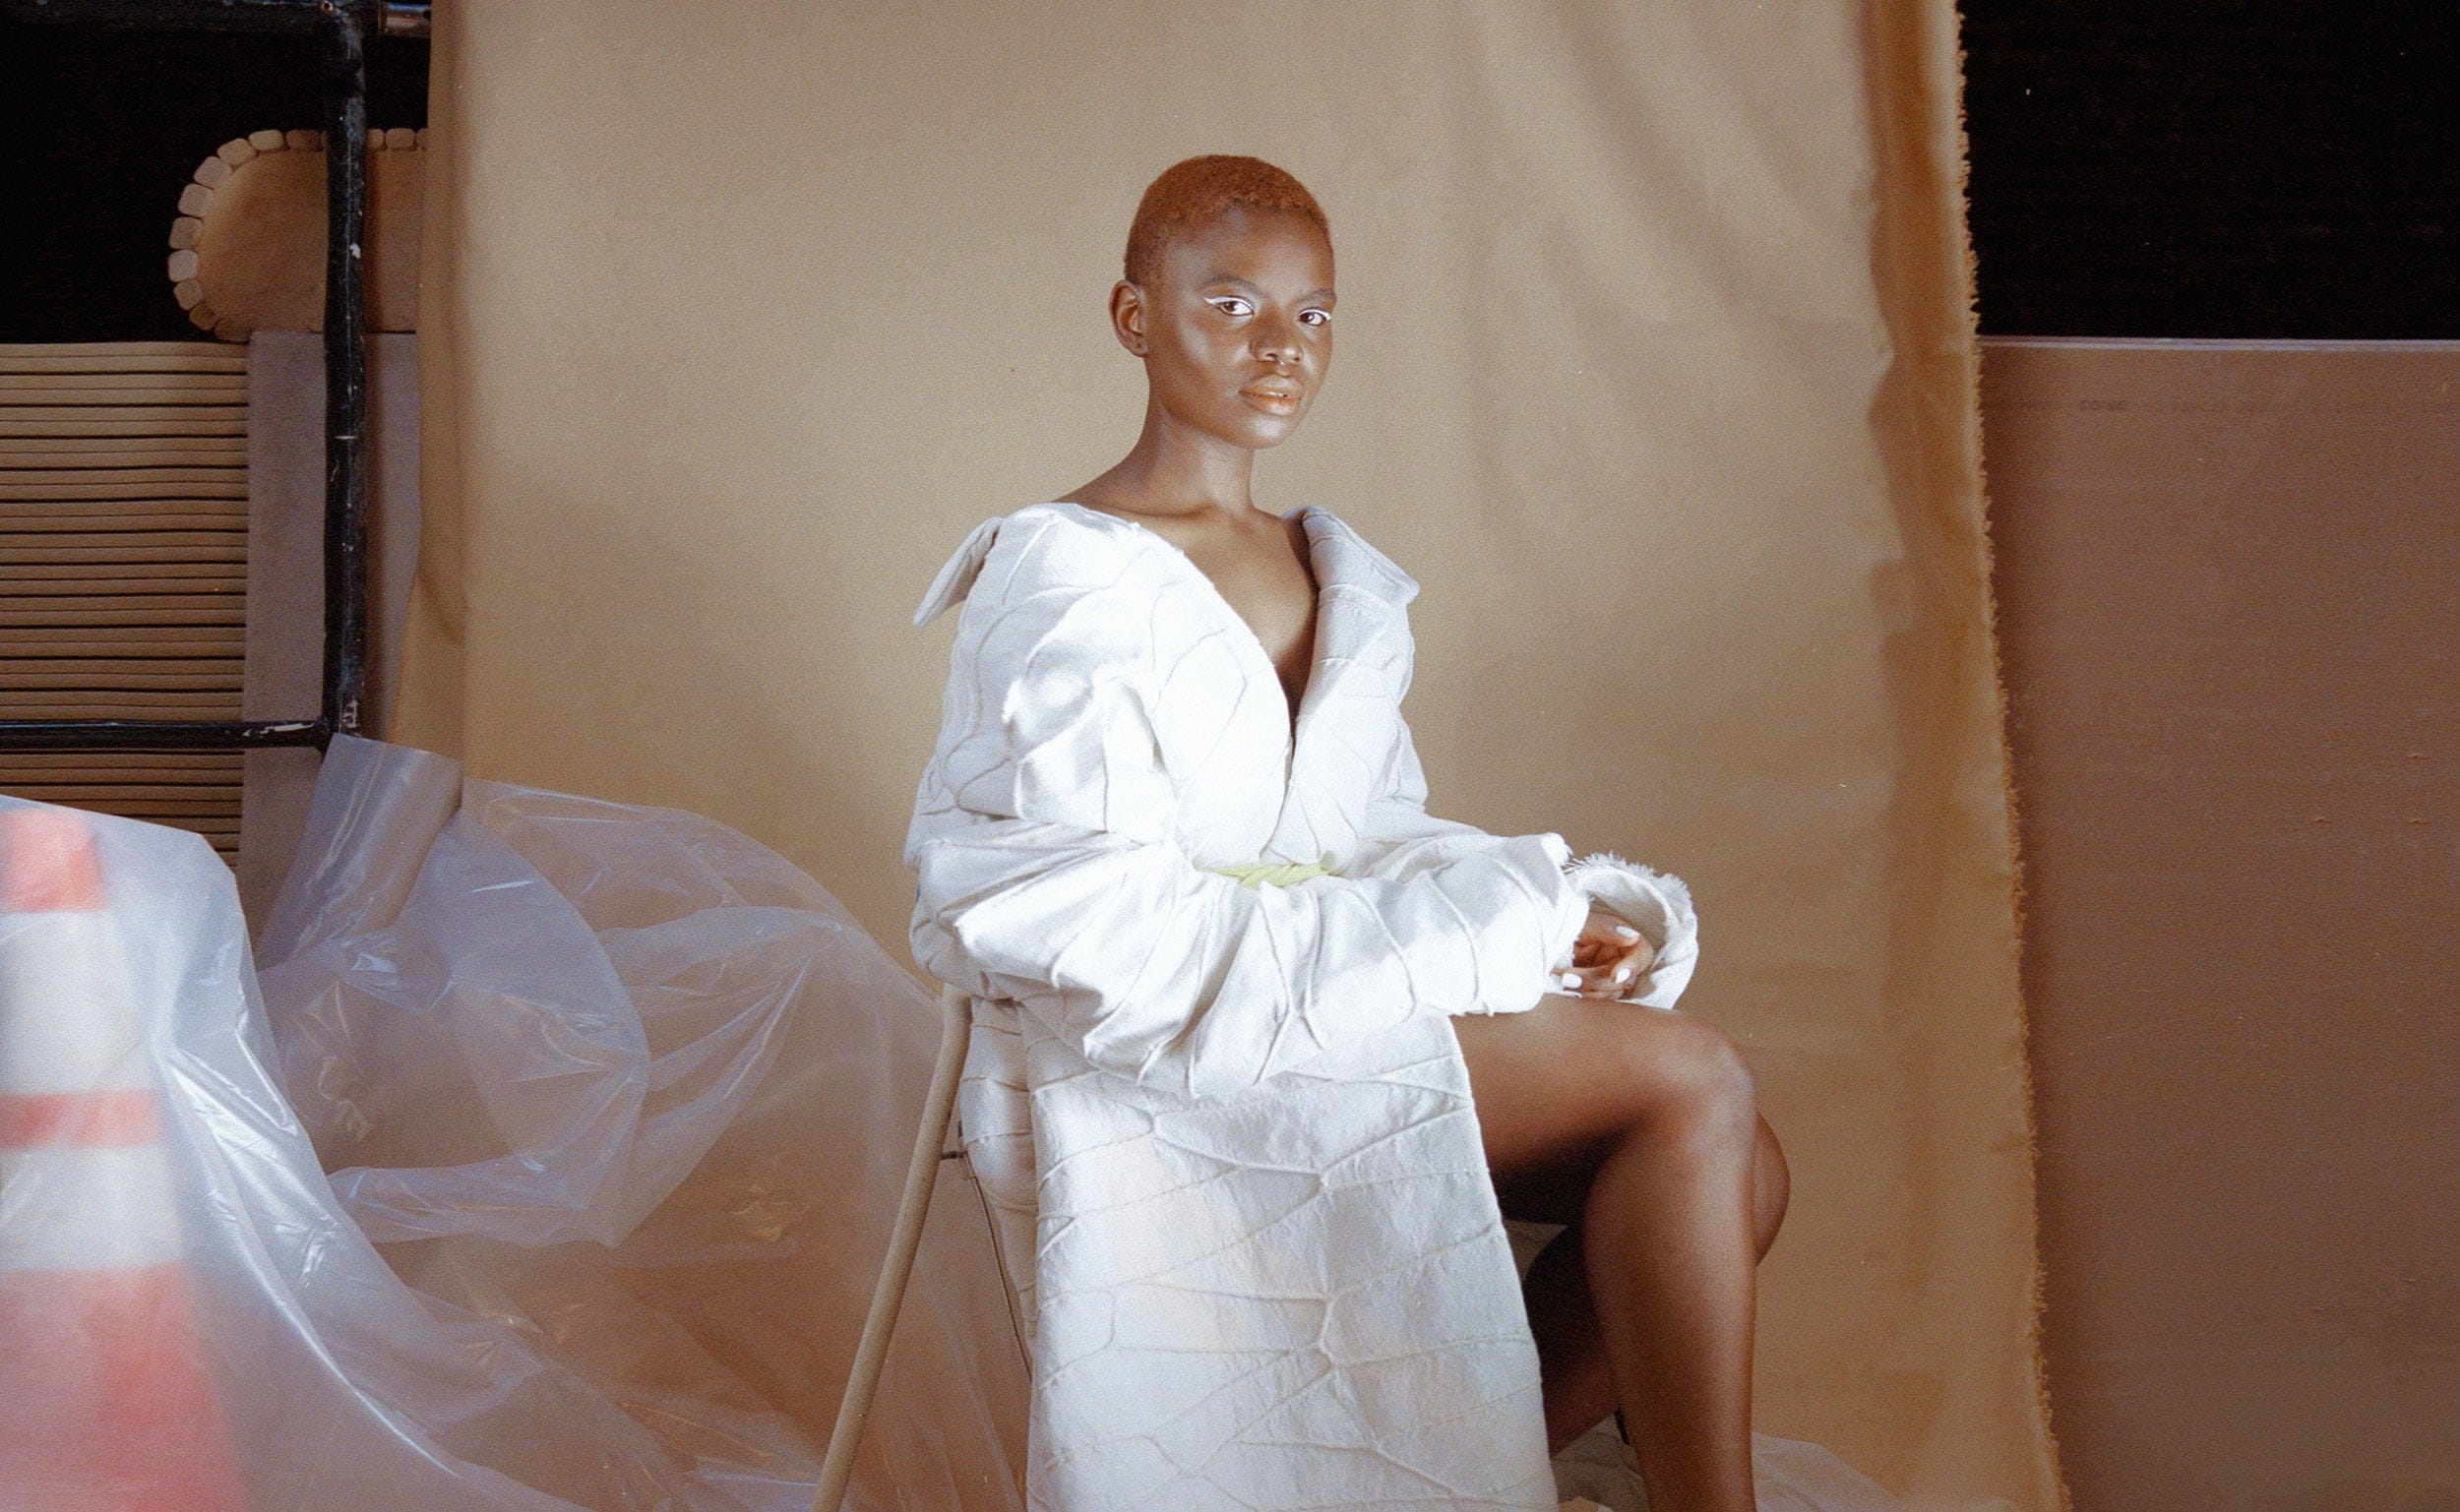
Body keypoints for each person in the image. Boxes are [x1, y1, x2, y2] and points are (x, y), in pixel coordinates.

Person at [905, 155, 1786, 1512]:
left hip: (1319, 1009)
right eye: (1233, 305)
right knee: (1698, 1082)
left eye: (1313, 314)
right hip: (1155, 1061)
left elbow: (1369, 835)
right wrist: (1477, 932)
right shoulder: (1065, 577)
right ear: (1136, 317)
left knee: (1743, 1166)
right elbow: (1096, 937)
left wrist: (1550, 922)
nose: (1282, 347)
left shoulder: (1339, 575)